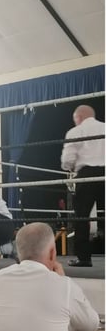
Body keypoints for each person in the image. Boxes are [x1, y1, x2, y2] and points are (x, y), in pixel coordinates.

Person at [60, 104, 105, 267]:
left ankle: (84, 258)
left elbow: (67, 160)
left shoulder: (75, 132)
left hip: (87, 174)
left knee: (82, 216)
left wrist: (69, 168)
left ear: (78, 117)